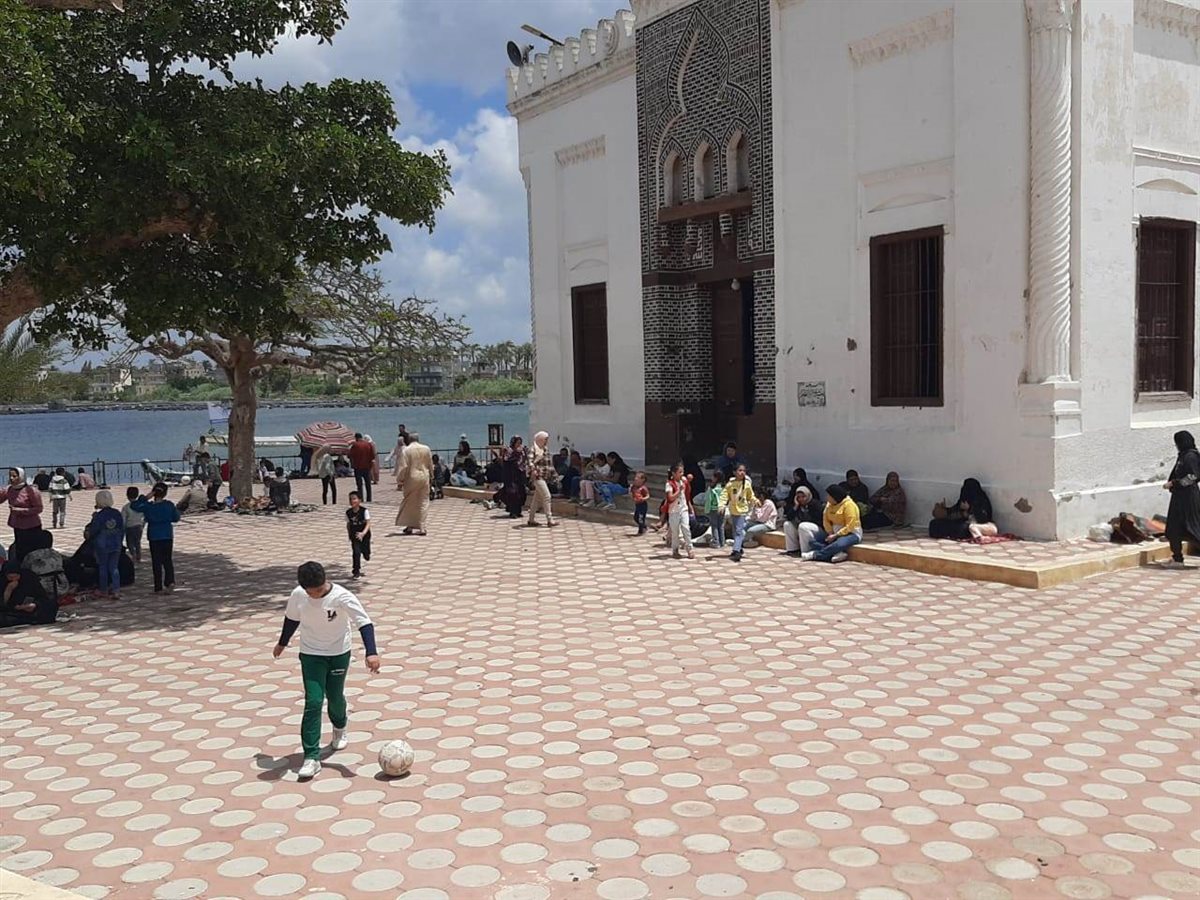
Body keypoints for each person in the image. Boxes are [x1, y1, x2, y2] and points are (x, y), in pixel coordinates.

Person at [273, 561, 381, 779]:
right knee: (313, 701)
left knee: (335, 696)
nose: (315, 595)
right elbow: (291, 619)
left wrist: (371, 652)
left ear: (325, 582)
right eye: (311, 592)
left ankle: (339, 727)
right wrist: (282, 643)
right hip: (311, 654)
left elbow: (364, 622)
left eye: (319, 590)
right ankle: (311, 757)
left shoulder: (342, 596)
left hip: (338, 653)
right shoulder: (298, 595)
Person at [130, 482, 180, 593]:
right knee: (167, 560)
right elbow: (176, 517)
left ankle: (158, 586)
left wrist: (145, 497)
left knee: (156, 561)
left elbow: (134, 506)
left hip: (154, 536)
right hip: (167, 535)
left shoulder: (148, 506)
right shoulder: (169, 505)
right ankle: (170, 581)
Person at [1164, 430, 1200, 568]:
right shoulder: (1184, 455)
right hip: (1180, 497)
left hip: (1188, 498)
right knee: (1174, 529)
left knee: (1192, 529)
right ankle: (1177, 559)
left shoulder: (1190, 456)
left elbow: (1193, 477)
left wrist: (1175, 483)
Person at [802, 484, 863, 563]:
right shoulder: (829, 505)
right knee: (813, 542)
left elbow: (850, 525)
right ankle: (837, 553)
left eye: (829, 496)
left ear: (835, 496)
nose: (827, 498)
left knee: (838, 544)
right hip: (833, 532)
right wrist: (830, 532)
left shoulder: (849, 505)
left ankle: (815, 555)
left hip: (850, 533)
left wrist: (836, 535)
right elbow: (825, 519)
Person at [929, 478, 997, 540]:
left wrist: (970, 509)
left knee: (962, 528)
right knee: (934, 524)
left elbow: (983, 519)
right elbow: (954, 511)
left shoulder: (981, 500)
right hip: (960, 522)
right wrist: (944, 510)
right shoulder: (964, 498)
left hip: (974, 525)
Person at [88, 490, 125, 599]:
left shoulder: (99, 516)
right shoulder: (117, 513)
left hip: (103, 545)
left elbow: (94, 530)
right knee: (114, 567)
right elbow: (122, 529)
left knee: (103, 567)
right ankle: (116, 589)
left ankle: (103, 589)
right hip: (116, 543)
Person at [2, 468, 44, 564]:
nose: (11, 478)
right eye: (10, 476)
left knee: (32, 550)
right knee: (20, 550)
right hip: (17, 525)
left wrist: (21, 511)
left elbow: (39, 508)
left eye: (14, 476)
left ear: (21, 477)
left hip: (31, 526)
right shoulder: (9, 489)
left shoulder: (31, 491)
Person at [395, 433, 433, 535]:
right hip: (424, 476)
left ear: (409, 439)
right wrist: (432, 476)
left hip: (411, 478)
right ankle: (422, 527)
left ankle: (409, 525)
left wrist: (400, 480)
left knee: (409, 501)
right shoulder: (426, 448)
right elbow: (430, 464)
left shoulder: (406, 450)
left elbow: (403, 467)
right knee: (423, 502)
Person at [1, 560, 58, 628]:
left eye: (16, 577)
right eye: (10, 577)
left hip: (30, 609)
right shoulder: (2, 581)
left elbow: (42, 596)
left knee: (50, 605)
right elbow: (2, 604)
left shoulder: (29, 577)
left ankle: (29, 619)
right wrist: (8, 590)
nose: (14, 579)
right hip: (11, 611)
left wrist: (35, 604)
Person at [718, 464, 757, 562]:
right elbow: (724, 495)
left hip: (742, 510)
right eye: (740, 470)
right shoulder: (730, 484)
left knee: (739, 531)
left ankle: (736, 551)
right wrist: (721, 505)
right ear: (734, 472)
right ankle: (739, 548)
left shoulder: (747, 484)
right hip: (733, 510)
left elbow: (750, 495)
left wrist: (755, 500)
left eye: (744, 471)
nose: (742, 473)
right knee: (735, 531)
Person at [525, 431, 557, 527]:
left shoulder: (545, 449)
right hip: (537, 476)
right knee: (547, 496)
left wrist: (555, 475)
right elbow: (530, 461)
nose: (546, 441)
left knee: (536, 499)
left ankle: (531, 520)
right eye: (545, 439)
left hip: (545, 476)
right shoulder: (533, 449)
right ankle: (549, 519)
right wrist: (533, 470)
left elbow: (549, 464)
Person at [664, 462, 695, 560]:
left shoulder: (684, 481)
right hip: (673, 511)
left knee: (686, 528)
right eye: (680, 472)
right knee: (675, 532)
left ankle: (690, 548)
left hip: (683, 508)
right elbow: (670, 498)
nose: (682, 474)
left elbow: (687, 494)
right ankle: (675, 550)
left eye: (683, 472)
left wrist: (689, 506)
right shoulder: (669, 484)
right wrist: (678, 490)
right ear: (674, 473)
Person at [496, 436, 528, 519]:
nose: (519, 445)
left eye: (520, 443)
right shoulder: (509, 450)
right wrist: (515, 453)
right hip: (511, 475)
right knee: (513, 493)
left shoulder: (522, 451)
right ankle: (513, 512)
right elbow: (507, 460)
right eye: (517, 443)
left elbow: (524, 461)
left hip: (520, 475)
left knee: (521, 493)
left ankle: (518, 511)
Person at [346, 492, 371, 578]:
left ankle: (366, 553)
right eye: (350, 499)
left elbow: (368, 523)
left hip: (365, 534)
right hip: (355, 535)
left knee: (365, 551)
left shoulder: (364, 511)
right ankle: (356, 570)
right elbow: (348, 524)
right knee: (356, 552)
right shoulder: (348, 512)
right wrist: (349, 534)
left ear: (359, 500)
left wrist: (363, 533)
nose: (352, 501)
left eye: (354, 499)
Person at [698, 471, 727, 548]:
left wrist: (707, 509)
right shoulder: (724, 488)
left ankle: (716, 542)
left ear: (716, 478)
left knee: (714, 526)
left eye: (713, 476)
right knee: (721, 525)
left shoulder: (712, 488)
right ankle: (722, 542)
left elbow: (708, 500)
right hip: (722, 508)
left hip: (713, 508)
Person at [348, 433, 375, 502]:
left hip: (358, 467)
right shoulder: (368, 444)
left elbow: (350, 455)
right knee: (368, 484)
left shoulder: (355, 445)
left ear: (356, 438)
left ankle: (361, 498)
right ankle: (369, 498)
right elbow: (372, 456)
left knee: (359, 485)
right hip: (367, 466)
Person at [121, 486, 145, 564]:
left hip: (129, 527)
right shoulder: (141, 505)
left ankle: (133, 555)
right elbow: (144, 516)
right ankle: (139, 556)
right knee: (137, 542)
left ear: (127, 495)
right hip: (139, 526)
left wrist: (122, 528)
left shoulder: (126, 507)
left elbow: (123, 519)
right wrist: (143, 524)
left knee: (130, 543)